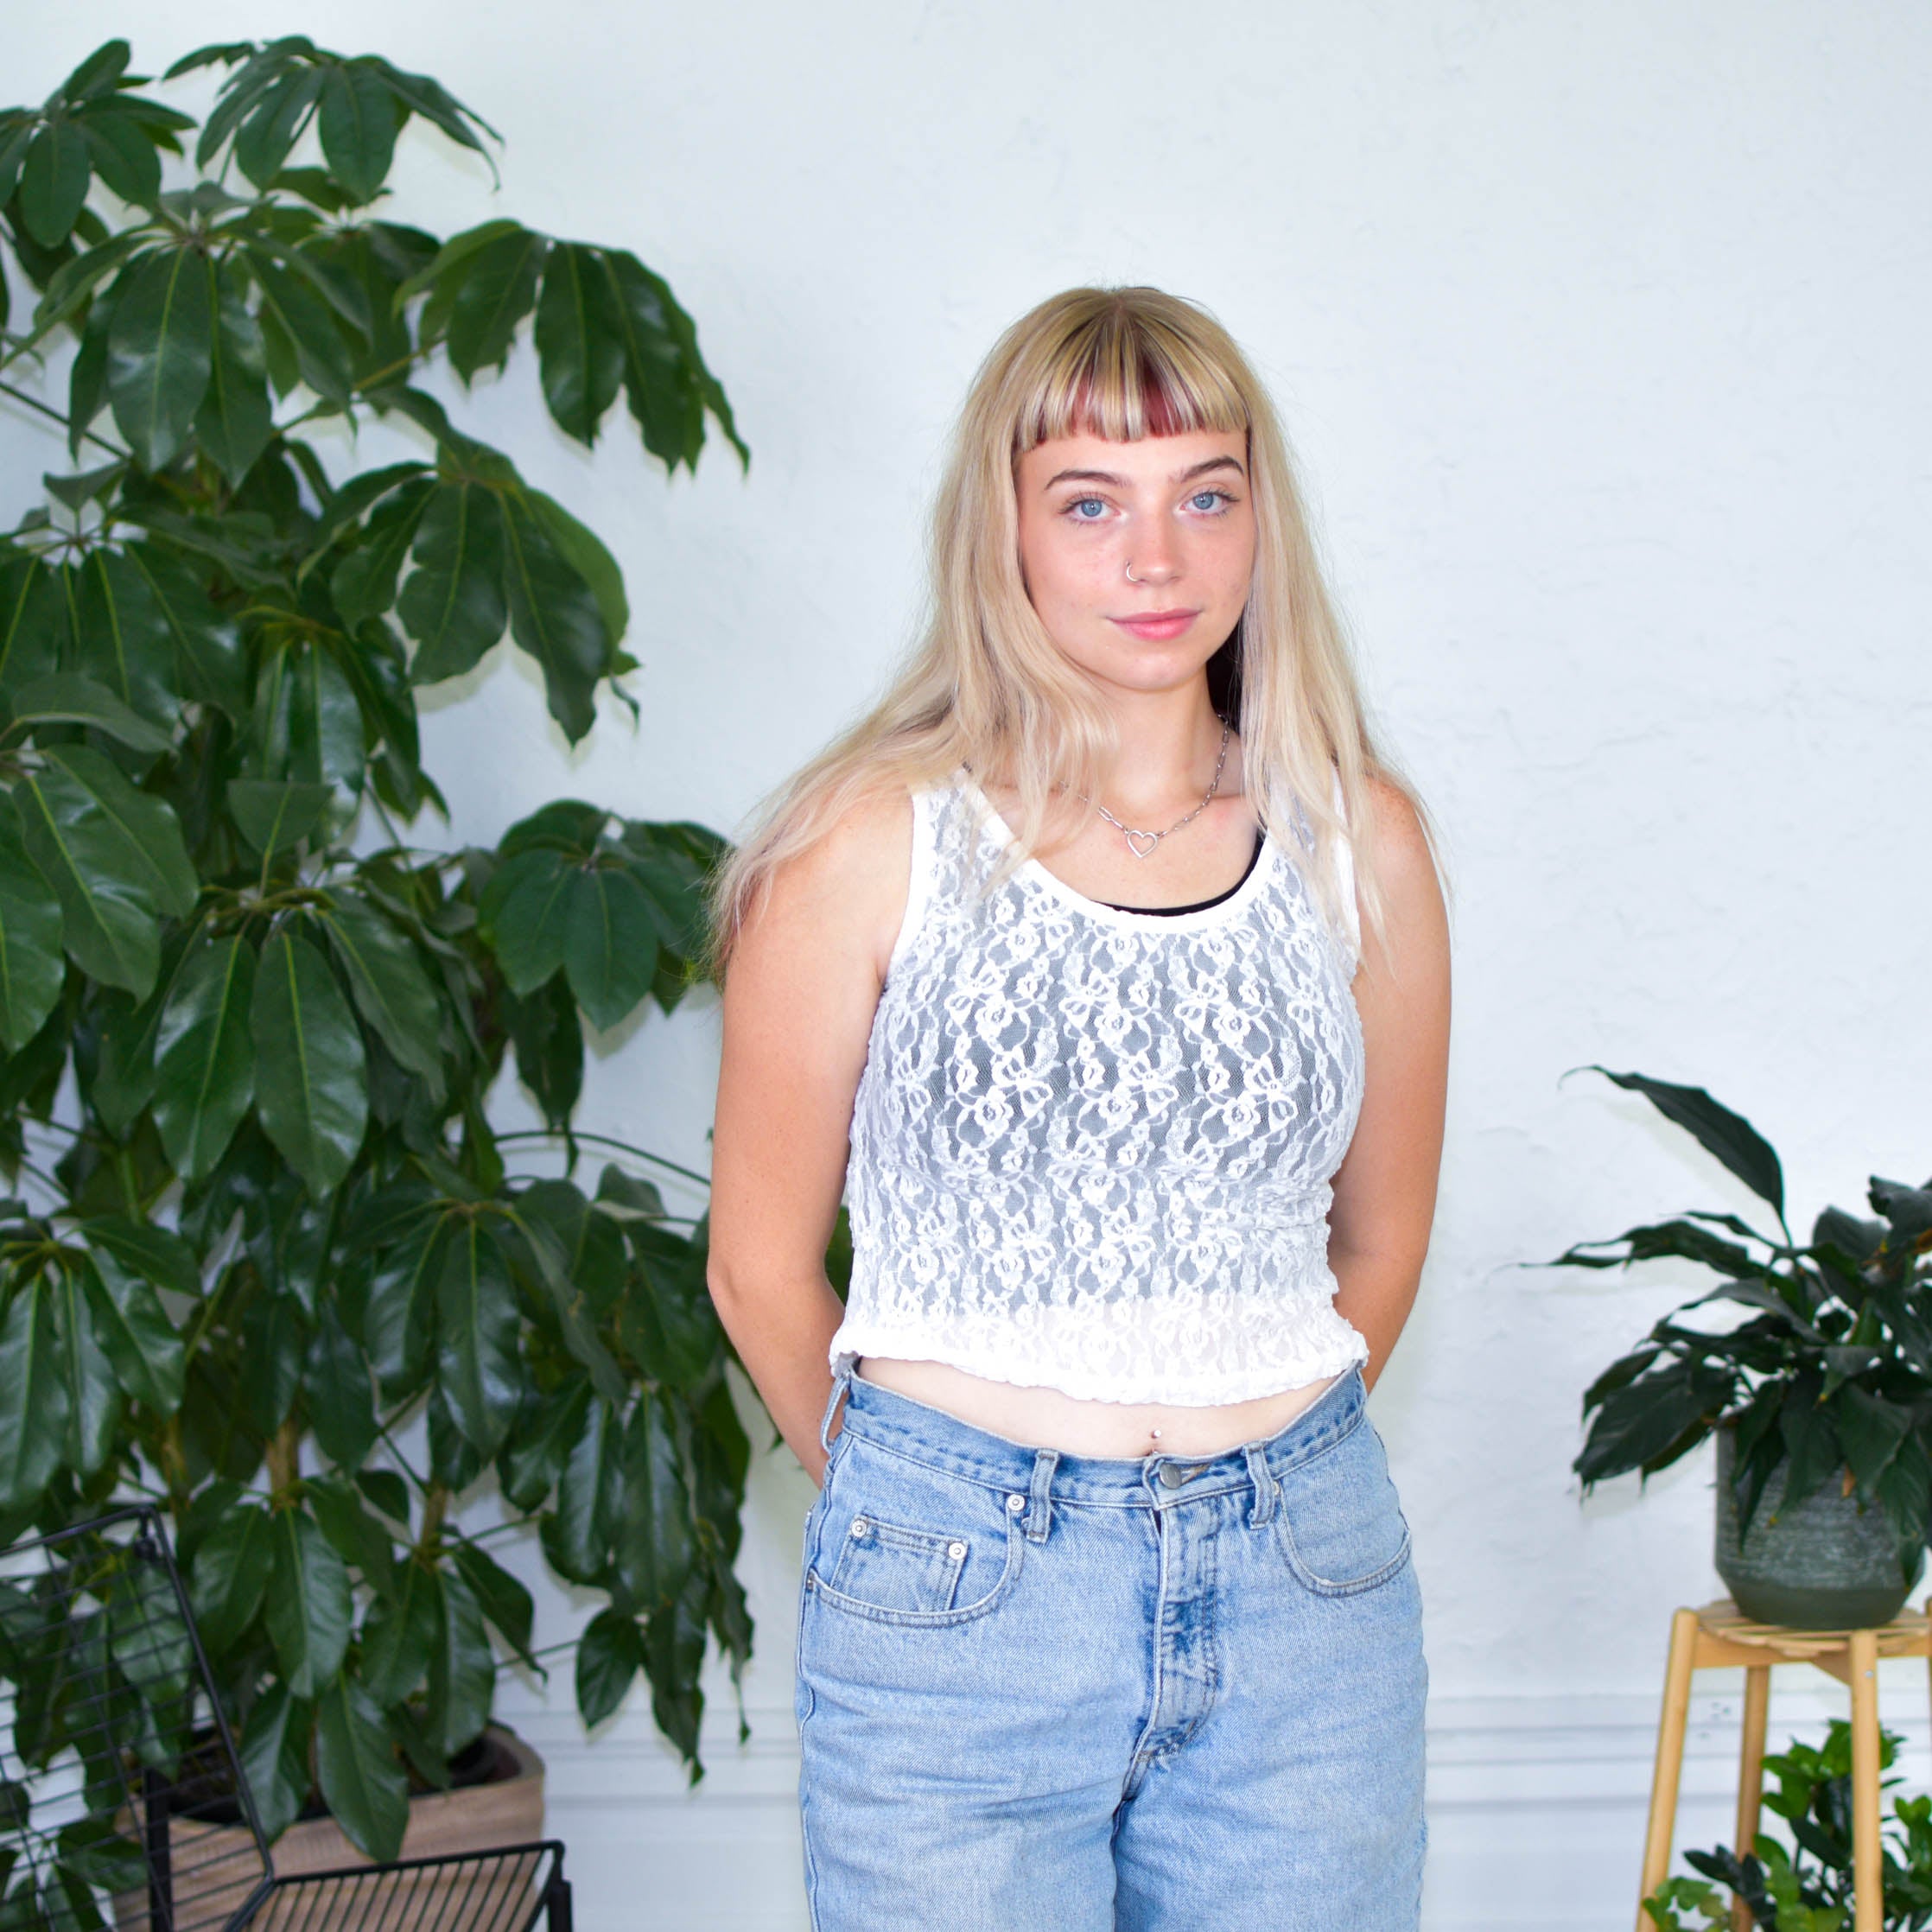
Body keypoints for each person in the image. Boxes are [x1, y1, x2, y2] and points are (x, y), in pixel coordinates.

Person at [705, 285, 1451, 1932]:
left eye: (1207, 493)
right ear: (1007, 534)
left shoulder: (1359, 842)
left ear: (1262, 519)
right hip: (959, 1610)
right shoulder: (859, 847)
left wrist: (1250, 1469)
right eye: (1092, 503)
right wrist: (940, 1518)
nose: (1158, 560)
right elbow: (758, 1268)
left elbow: (1382, 1237)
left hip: (1309, 1599)